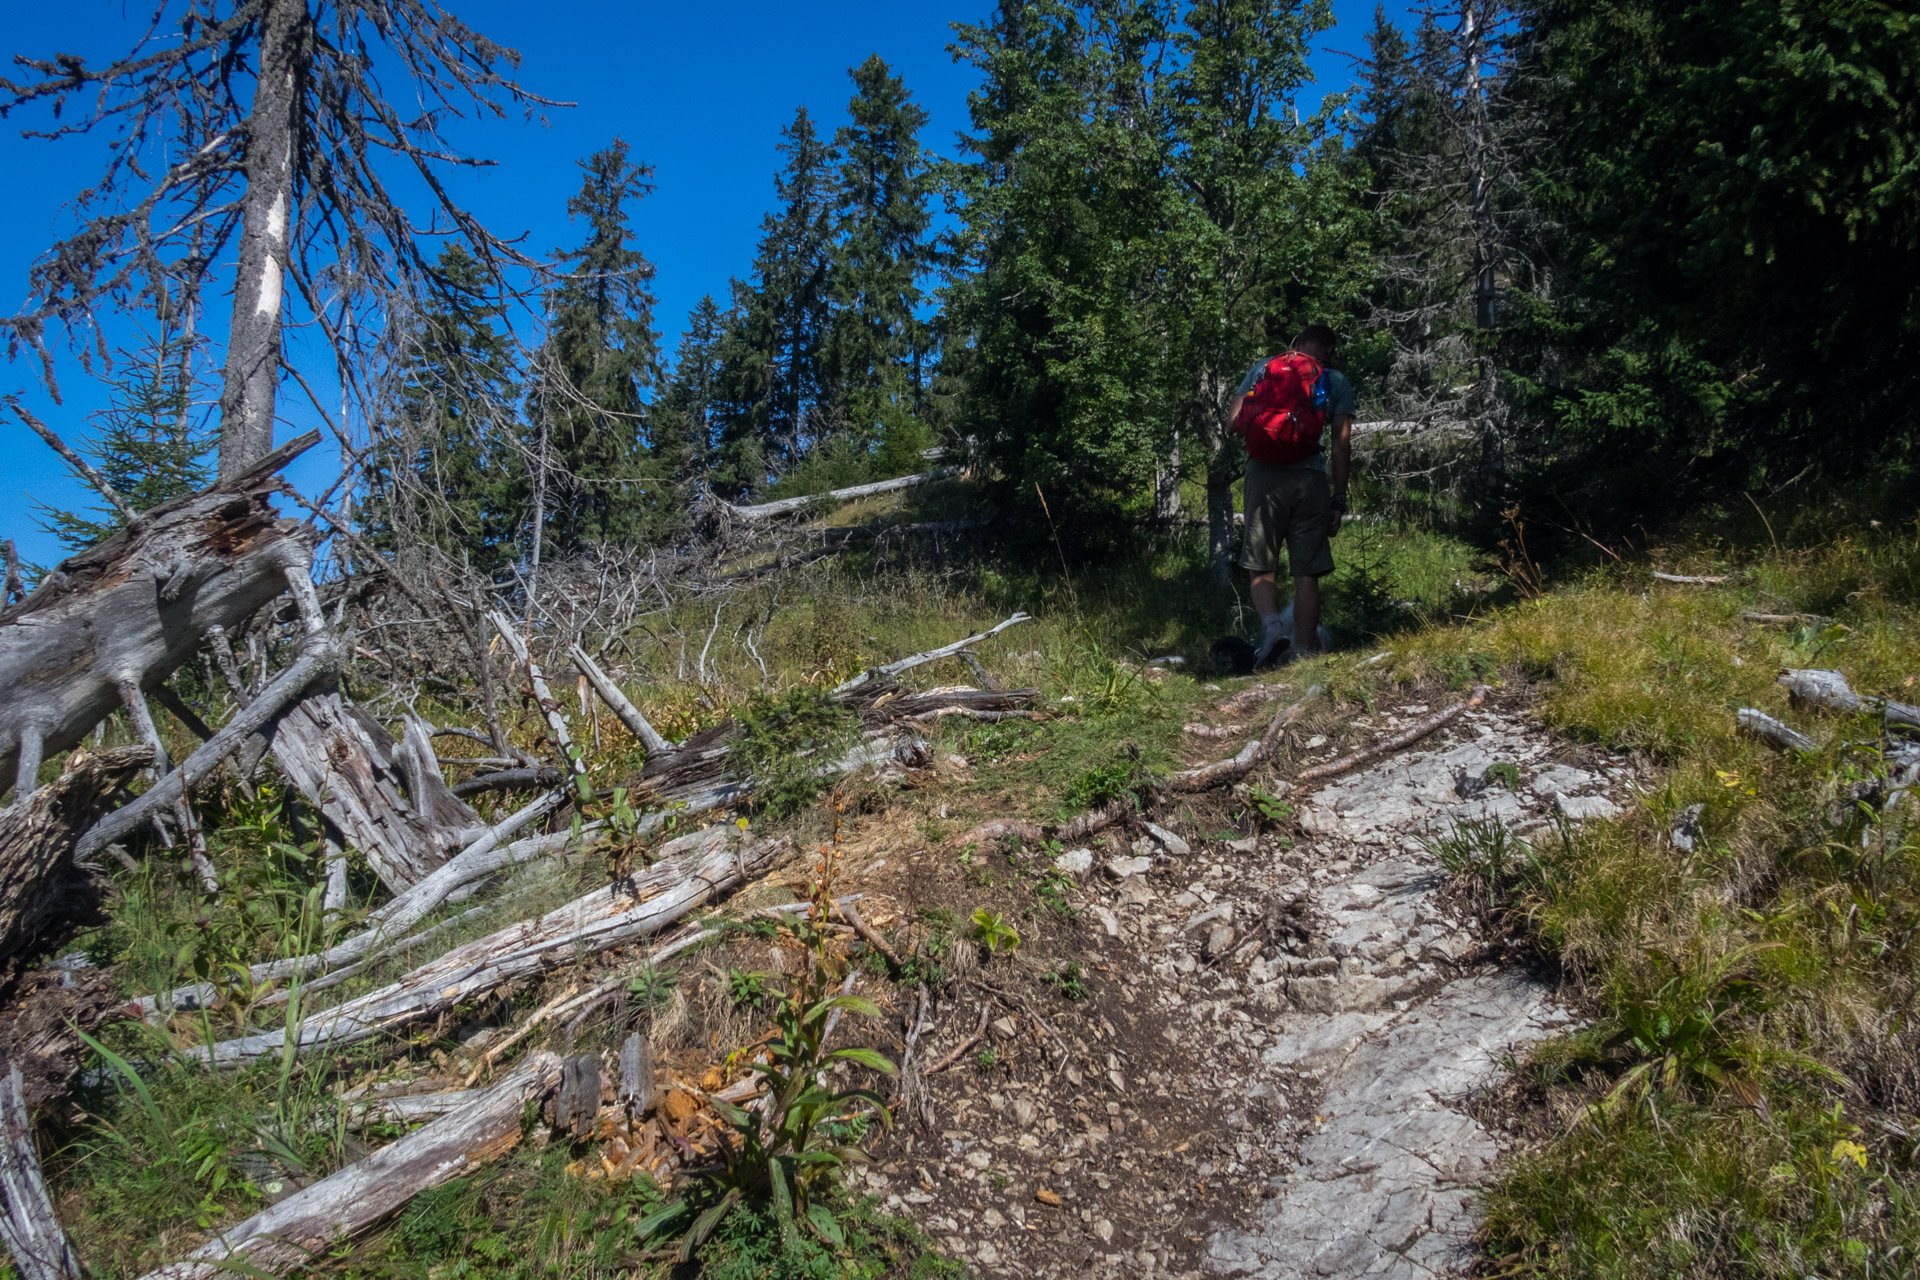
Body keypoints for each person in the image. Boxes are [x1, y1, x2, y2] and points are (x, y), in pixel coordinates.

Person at [1226, 323, 1355, 667]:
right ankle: (1301, 652)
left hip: (1262, 475)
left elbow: (1232, 422)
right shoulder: (1335, 380)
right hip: (1309, 478)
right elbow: (1342, 445)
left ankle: (1271, 631)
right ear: (1327, 349)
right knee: (1307, 570)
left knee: (1260, 563)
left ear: (1298, 343)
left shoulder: (1262, 369)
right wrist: (1339, 497)